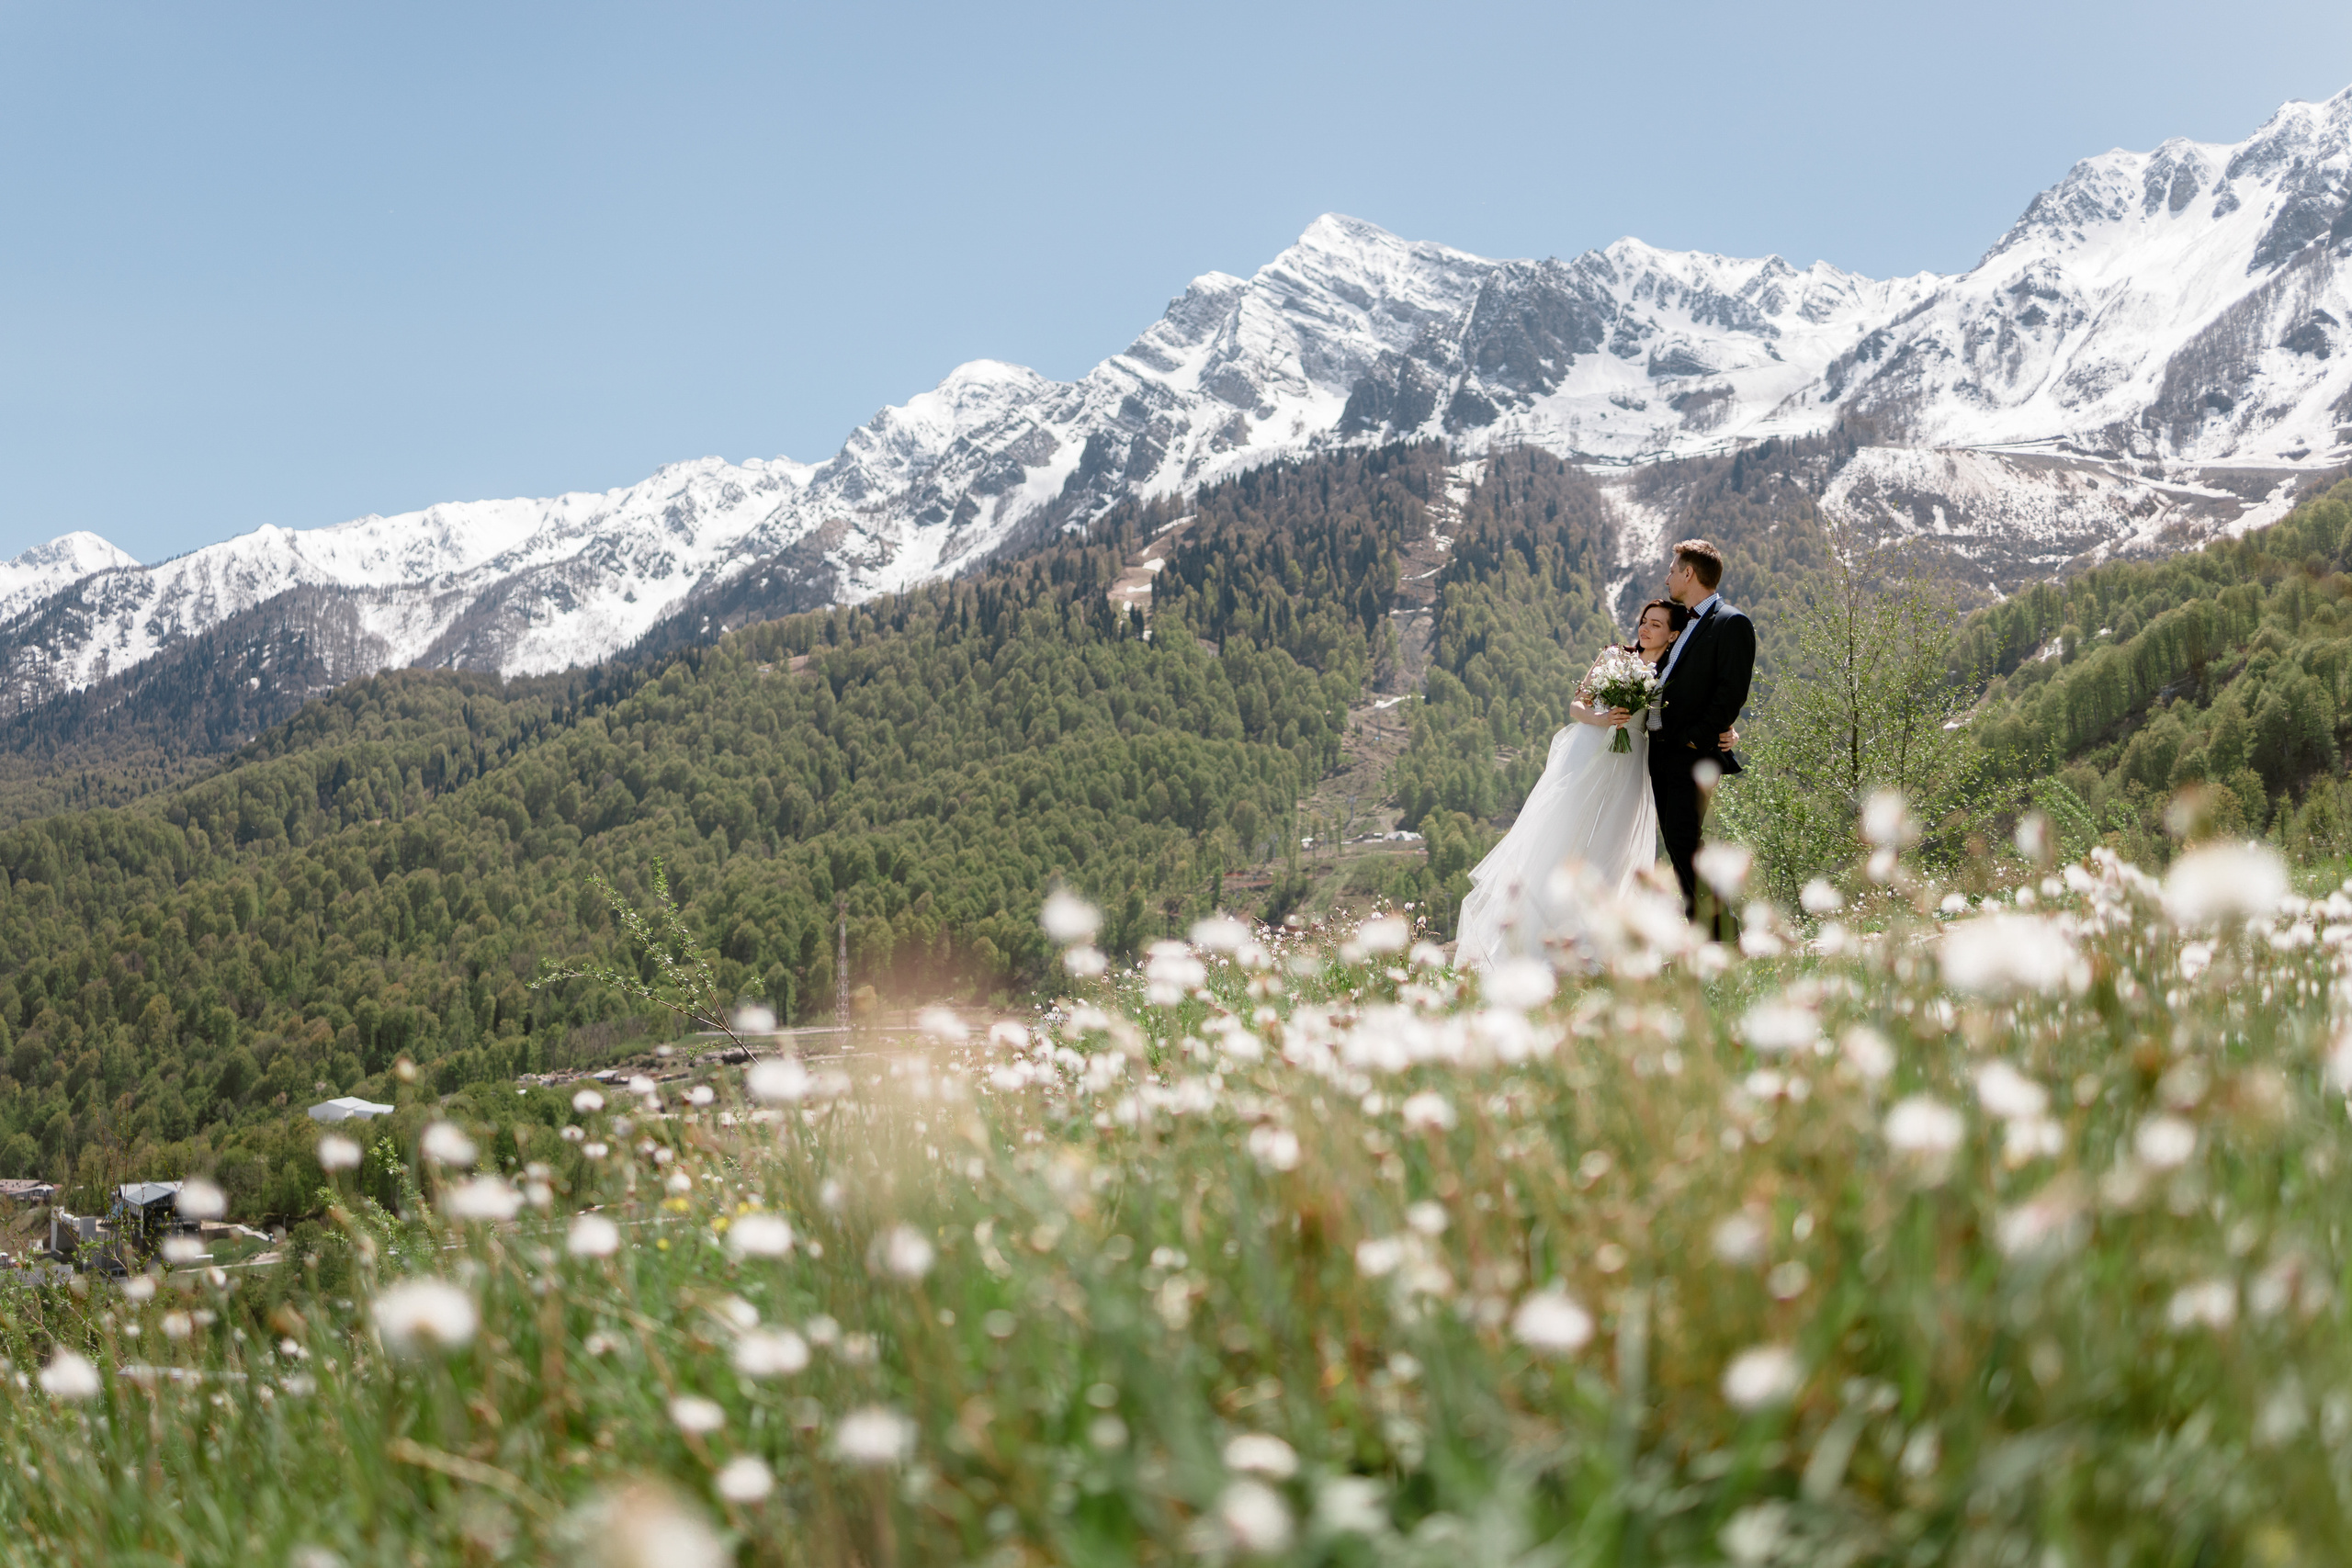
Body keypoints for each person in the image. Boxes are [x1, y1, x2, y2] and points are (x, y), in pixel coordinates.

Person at [1454, 598, 1689, 969]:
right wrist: (1603, 719)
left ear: (1673, 634)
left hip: (1630, 764)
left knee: (1612, 845)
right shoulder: (1614, 656)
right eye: (1644, 620)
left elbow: (1688, 714)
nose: (1645, 628)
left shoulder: (1671, 671)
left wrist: (1727, 732)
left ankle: (1594, 948)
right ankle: (1533, 942)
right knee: (1564, 838)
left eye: (1656, 624)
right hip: (1590, 752)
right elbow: (1576, 705)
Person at [1648, 538, 1754, 921]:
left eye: (1673, 570)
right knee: (1681, 846)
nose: (1668, 577)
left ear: (1689, 573)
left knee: (1687, 844)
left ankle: (1723, 935)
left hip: (1690, 755)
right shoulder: (1681, 621)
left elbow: (1731, 694)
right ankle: (1705, 934)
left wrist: (1695, 738)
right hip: (1661, 754)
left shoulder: (1731, 623)